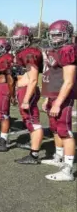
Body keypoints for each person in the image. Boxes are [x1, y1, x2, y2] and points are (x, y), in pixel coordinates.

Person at [41, 20, 76, 181]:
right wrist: (48, 98)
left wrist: (58, 102)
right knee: (55, 129)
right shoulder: (56, 50)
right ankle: (58, 157)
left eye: (58, 35)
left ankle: (67, 170)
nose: (54, 38)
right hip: (53, 95)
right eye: (53, 35)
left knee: (65, 131)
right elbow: (52, 76)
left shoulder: (68, 50)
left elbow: (68, 81)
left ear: (67, 35)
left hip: (62, 98)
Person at [10, 26, 44, 164]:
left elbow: (34, 79)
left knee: (33, 121)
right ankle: (32, 144)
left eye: (20, 39)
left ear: (27, 39)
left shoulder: (30, 53)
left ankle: (34, 155)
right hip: (23, 89)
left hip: (28, 91)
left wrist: (25, 99)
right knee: (28, 121)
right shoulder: (23, 52)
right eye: (15, 39)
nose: (17, 42)